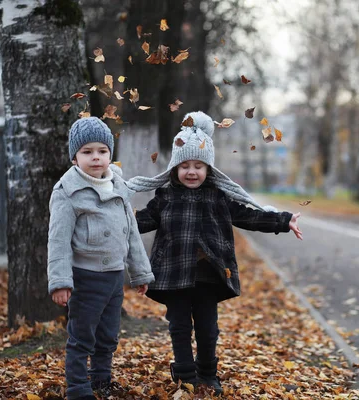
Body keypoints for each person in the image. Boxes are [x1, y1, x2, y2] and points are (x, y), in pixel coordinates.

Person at [126, 111, 303, 395]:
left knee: (208, 330)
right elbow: (143, 221)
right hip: (173, 274)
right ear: (174, 168)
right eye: (184, 166)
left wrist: (283, 221)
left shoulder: (218, 197)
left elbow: (248, 217)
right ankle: (185, 375)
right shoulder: (166, 197)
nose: (192, 171)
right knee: (179, 327)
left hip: (210, 275)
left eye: (198, 165)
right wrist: (117, 221)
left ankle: (208, 373)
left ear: (209, 168)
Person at [47, 117, 155, 400]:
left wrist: (140, 273)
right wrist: (60, 282)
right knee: (82, 337)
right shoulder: (67, 192)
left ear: (110, 154)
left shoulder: (119, 186)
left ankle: (101, 380)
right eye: (87, 152)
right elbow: (58, 241)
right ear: (74, 157)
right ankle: (78, 389)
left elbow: (131, 233)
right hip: (85, 277)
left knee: (108, 336)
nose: (96, 157)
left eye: (102, 151)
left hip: (115, 277)